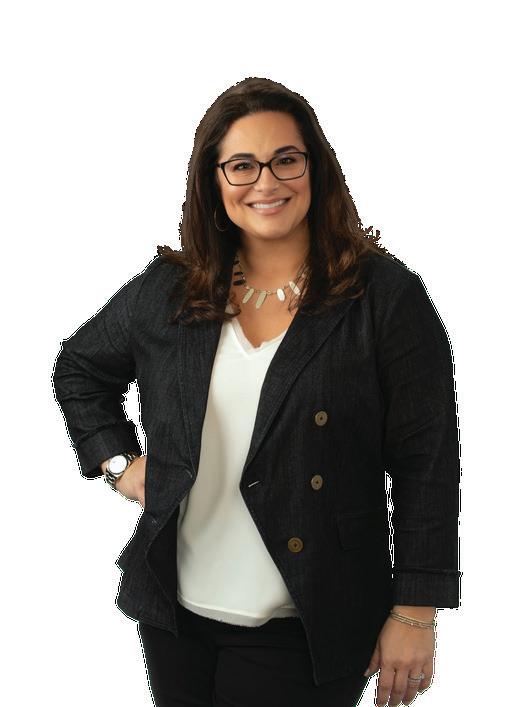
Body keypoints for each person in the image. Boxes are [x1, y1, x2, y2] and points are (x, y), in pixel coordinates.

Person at [52, 77, 461, 707]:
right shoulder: (174, 288)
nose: (265, 183)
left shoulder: (383, 297)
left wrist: (416, 609)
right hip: (176, 616)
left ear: (315, 168)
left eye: (285, 160)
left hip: (309, 619)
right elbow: (80, 367)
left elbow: (426, 462)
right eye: (242, 165)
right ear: (214, 181)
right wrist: (120, 464)